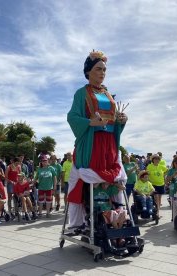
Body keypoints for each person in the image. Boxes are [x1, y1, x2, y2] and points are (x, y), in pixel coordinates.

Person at [66, 50, 127, 227]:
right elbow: (72, 117)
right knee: (94, 177)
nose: (102, 73)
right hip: (93, 142)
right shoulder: (81, 93)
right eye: (98, 69)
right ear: (88, 72)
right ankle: (91, 219)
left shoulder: (108, 94)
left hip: (110, 143)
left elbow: (112, 117)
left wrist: (121, 120)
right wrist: (90, 122)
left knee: (112, 175)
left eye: (104, 70)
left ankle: (115, 215)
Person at [94, 182, 126, 246]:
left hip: (109, 211)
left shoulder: (109, 189)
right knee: (113, 213)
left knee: (123, 212)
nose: (105, 185)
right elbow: (93, 187)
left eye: (107, 184)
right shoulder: (96, 188)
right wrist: (101, 180)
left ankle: (117, 234)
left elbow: (123, 188)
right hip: (100, 212)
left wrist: (113, 183)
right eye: (103, 184)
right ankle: (120, 236)